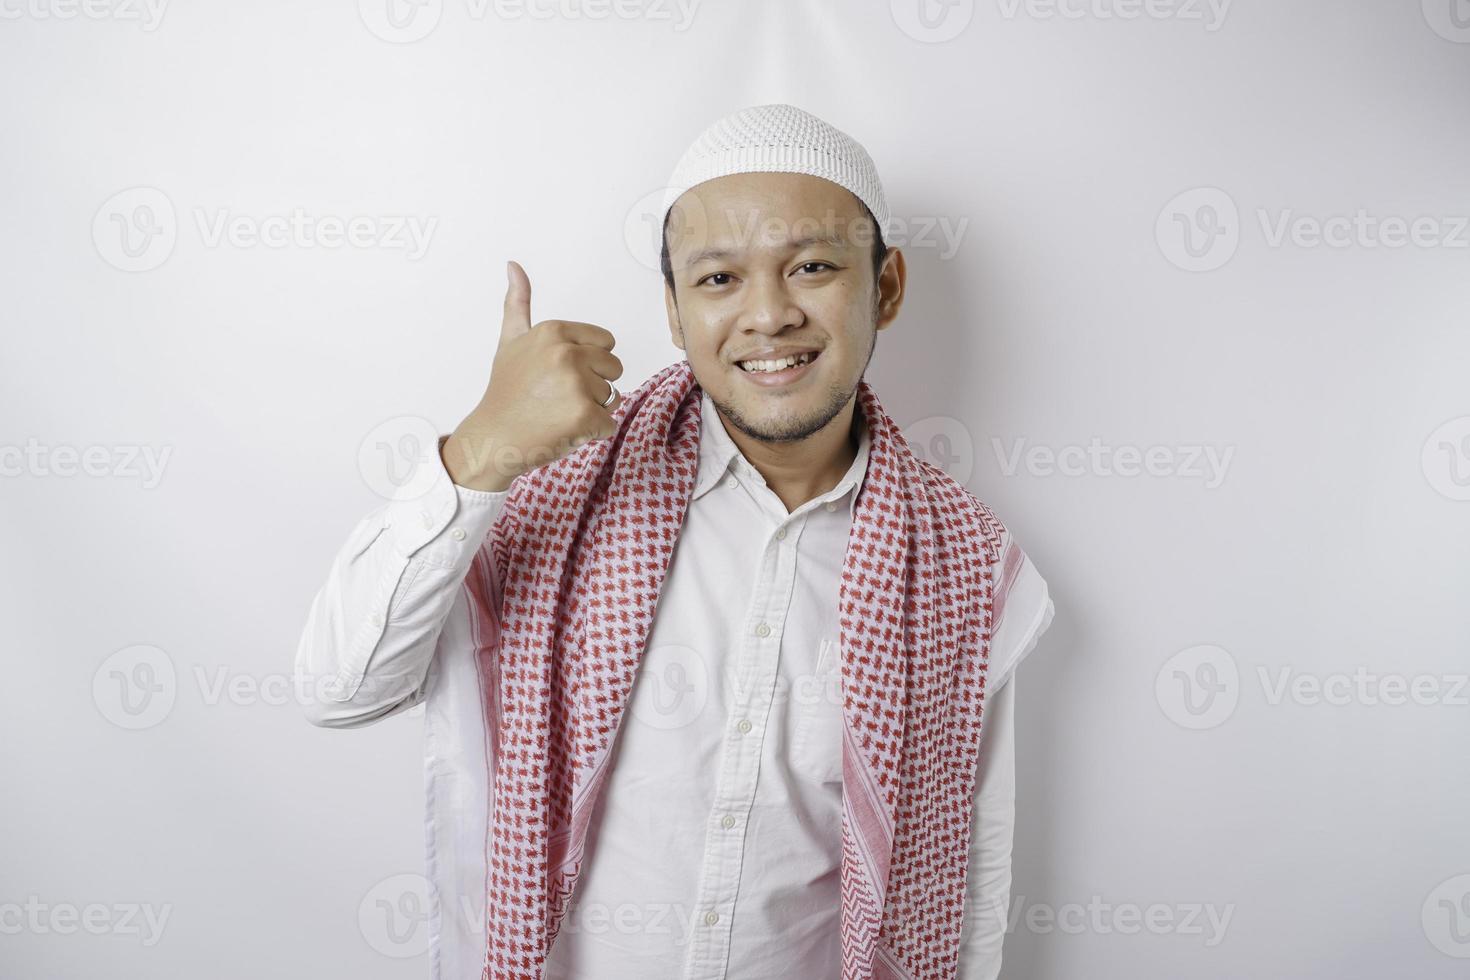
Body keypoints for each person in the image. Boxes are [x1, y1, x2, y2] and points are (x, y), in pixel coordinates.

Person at [296, 103, 1054, 980]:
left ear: (883, 287)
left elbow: (969, 876)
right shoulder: (548, 483)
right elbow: (337, 688)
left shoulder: (965, 567)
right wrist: (479, 451)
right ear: (673, 309)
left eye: (811, 266)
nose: (768, 316)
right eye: (719, 279)